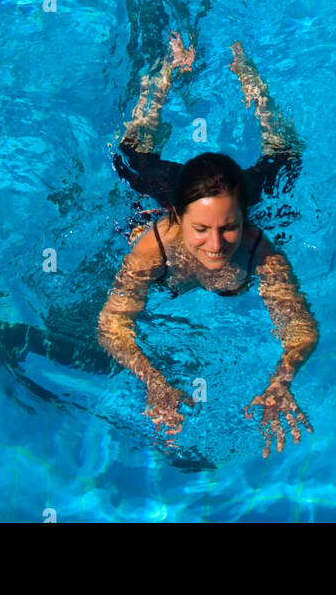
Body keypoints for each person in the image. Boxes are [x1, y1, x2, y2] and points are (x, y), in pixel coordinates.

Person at [100, 35, 316, 453]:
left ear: (244, 218)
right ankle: (171, 66)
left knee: (285, 152)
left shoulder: (259, 250)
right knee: (129, 151)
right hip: (165, 188)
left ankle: (247, 75)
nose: (216, 244)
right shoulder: (153, 247)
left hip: (235, 190)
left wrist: (281, 381)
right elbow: (111, 324)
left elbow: (300, 329)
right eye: (201, 230)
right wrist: (155, 384)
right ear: (179, 219)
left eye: (228, 227)